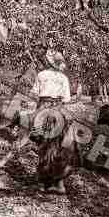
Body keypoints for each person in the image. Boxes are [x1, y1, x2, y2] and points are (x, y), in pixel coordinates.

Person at [29, 49, 73, 194]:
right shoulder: (64, 78)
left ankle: (42, 183)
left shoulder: (41, 75)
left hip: (42, 109)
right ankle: (59, 183)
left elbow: (34, 94)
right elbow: (66, 99)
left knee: (42, 146)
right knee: (60, 146)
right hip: (58, 111)